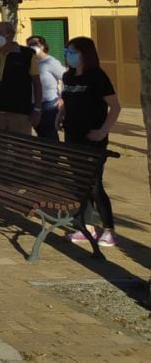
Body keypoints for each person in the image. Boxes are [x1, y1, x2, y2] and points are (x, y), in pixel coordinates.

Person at [58, 37, 122, 247]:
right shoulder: (68, 77)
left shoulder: (97, 76)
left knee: (94, 184)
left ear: (85, 53)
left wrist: (103, 131)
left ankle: (109, 230)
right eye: (67, 51)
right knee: (79, 184)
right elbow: (66, 101)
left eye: (73, 51)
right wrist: (60, 116)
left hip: (92, 139)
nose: (69, 55)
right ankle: (87, 227)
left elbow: (115, 107)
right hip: (72, 136)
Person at [0, 21, 42, 135]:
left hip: (19, 111)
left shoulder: (27, 54)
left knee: (21, 148)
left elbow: (36, 83)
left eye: (0, 32)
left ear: (10, 34)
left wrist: (37, 109)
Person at [27, 35, 64, 143]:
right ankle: (46, 158)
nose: (31, 47)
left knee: (49, 134)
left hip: (49, 104)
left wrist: (63, 98)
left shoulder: (51, 62)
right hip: (33, 103)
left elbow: (66, 78)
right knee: (41, 133)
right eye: (29, 44)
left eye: (34, 44)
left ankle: (52, 157)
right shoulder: (29, 62)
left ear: (43, 46)